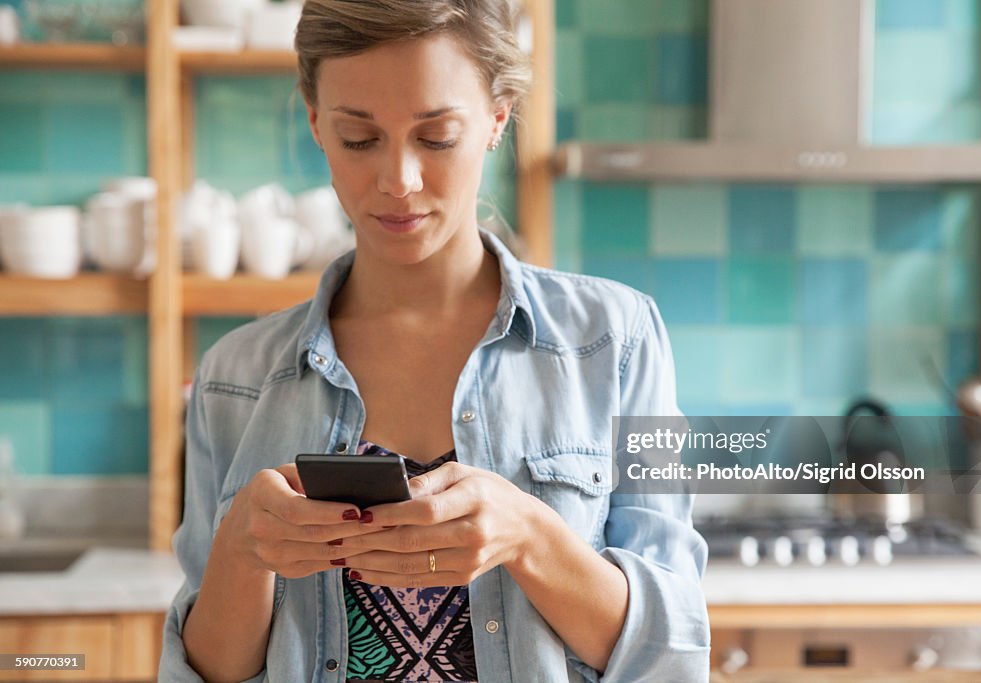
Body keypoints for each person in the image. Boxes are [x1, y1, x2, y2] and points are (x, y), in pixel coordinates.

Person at [159, 1, 710, 681]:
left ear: (497, 118)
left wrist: (529, 535)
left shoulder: (617, 340)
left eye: (437, 136)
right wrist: (242, 553)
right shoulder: (233, 378)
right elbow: (202, 670)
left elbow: (674, 653)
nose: (400, 181)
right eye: (359, 138)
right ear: (315, 123)